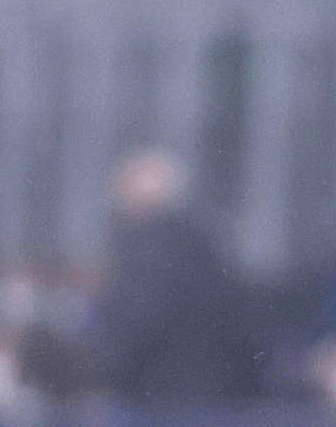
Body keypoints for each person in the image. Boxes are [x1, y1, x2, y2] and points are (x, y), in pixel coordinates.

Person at [91, 150, 254, 408]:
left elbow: (140, 320)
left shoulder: (150, 251)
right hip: (212, 391)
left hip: (159, 397)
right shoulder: (206, 245)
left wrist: (99, 373)